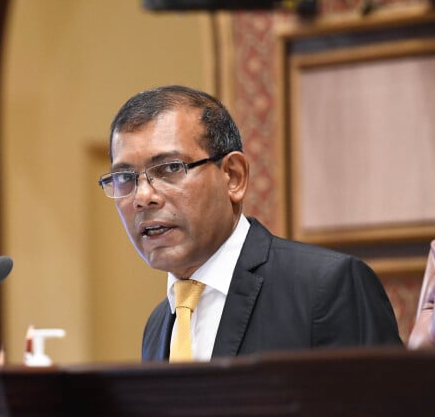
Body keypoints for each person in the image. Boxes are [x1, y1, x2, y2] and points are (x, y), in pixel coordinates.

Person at [101, 84, 403, 361]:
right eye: (125, 178)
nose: (143, 197)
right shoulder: (158, 324)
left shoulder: (326, 287)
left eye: (169, 168)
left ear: (233, 176)